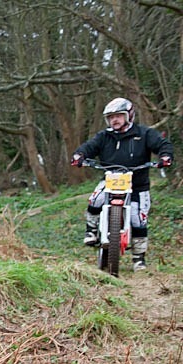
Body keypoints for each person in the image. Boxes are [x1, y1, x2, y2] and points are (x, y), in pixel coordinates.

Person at [71, 97, 173, 271]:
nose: (114, 120)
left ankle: (139, 258)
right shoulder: (104, 136)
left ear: (129, 115)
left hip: (138, 185)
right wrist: (79, 156)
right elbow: (89, 147)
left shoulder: (144, 133)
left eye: (118, 116)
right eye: (111, 117)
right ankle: (91, 230)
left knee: (138, 219)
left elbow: (162, 144)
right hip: (110, 180)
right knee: (95, 200)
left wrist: (165, 156)